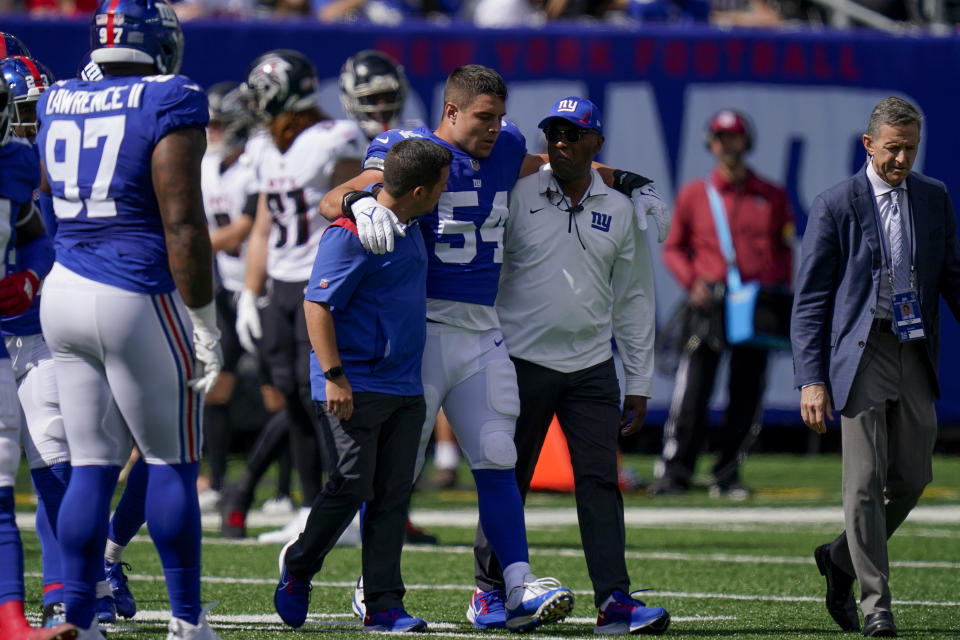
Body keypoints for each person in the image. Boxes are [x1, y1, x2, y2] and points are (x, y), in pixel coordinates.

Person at [320, 64, 584, 633]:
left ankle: (515, 584)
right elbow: (333, 199)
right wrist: (357, 203)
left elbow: (548, 168)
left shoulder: (509, 143)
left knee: (497, 451)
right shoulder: (406, 148)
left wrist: (618, 180)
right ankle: (373, 587)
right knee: (399, 469)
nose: (495, 128)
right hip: (419, 331)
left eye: (499, 117)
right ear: (451, 112)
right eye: (483, 118)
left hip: (482, 329)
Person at [35, 0, 225, 637]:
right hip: (134, 288)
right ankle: (188, 622)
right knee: (172, 460)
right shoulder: (170, 96)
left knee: (90, 463)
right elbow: (182, 221)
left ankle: (79, 618)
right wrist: (203, 319)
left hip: (64, 286)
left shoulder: (57, 96)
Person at [472, 96, 671, 635]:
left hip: (590, 367)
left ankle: (615, 600)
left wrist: (639, 380)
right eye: (553, 132)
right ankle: (489, 592)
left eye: (572, 133)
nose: (559, 142)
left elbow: (634, 299)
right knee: (508, 480)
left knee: (601, 482)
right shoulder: (519, 191)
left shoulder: (621, 207)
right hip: (520, 359)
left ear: (594, 142)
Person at [793, 96, 960, 638]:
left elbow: (952, 276)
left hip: (914, 349)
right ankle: (875, 605)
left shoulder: (934, 198)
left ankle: (840, 557)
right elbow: (812, 300)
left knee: (913, 476)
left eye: (911, 148)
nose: (902, 159)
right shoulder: (836, 203)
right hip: (861, 352)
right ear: (869, 145)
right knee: (863, 483)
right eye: (893, 148)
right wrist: (812, 379)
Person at [274, 138, 451, 633]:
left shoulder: (410, 221)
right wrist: (334, 377)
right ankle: (301, 565)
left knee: (393, 495)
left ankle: (383, 604)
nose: (444, 195)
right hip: (353, 383)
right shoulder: (351, 233)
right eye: (439, 187)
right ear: (418, 189)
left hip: (403, 387)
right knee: (351, 484)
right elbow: (316, 305)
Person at [226, 48, 366, 545]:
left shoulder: (335, 138)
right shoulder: (265, 145)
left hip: (321, 283)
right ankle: (312, 507)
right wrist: (250, 291)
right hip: (282, 287)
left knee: (323, 399)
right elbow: (264, 225)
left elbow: (352, 212)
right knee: (291, 400)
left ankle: (343, 506)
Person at [650, 108, 794, 499]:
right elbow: (675, 248)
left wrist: (780, 288)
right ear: (710, 143)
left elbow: (785, 250)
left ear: (747, 141)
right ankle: (675, 472)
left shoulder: (771, 195)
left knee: (747, 394)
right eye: (720, 137)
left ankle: (727, 474)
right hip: (709, 304)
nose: (728, 144)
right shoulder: (697, 194)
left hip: (756, 307)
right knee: (693, 392)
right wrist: (691, 281)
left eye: (734, 136)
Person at [0, 77, 79, 640]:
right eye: (23, 110)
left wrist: (31, 274)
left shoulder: (23, 162)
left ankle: (61, 597)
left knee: (54, 463)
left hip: (37, 331)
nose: (32, 122)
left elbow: (36, 235)